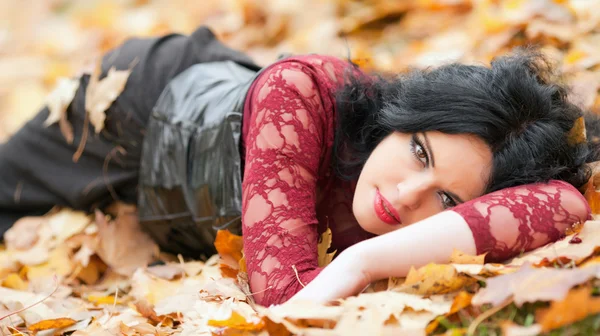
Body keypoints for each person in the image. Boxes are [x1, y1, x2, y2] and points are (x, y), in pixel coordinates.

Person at [0, 26, 596, 306]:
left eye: (446, 201)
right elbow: (282, 296)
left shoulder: (409, 203)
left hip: (199, 180)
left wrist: (363, 257)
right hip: (137, 113)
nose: (407, 195)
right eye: (418, 151)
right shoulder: (300, 92)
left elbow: (567, 204)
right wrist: (363, 265)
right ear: (402, 114)